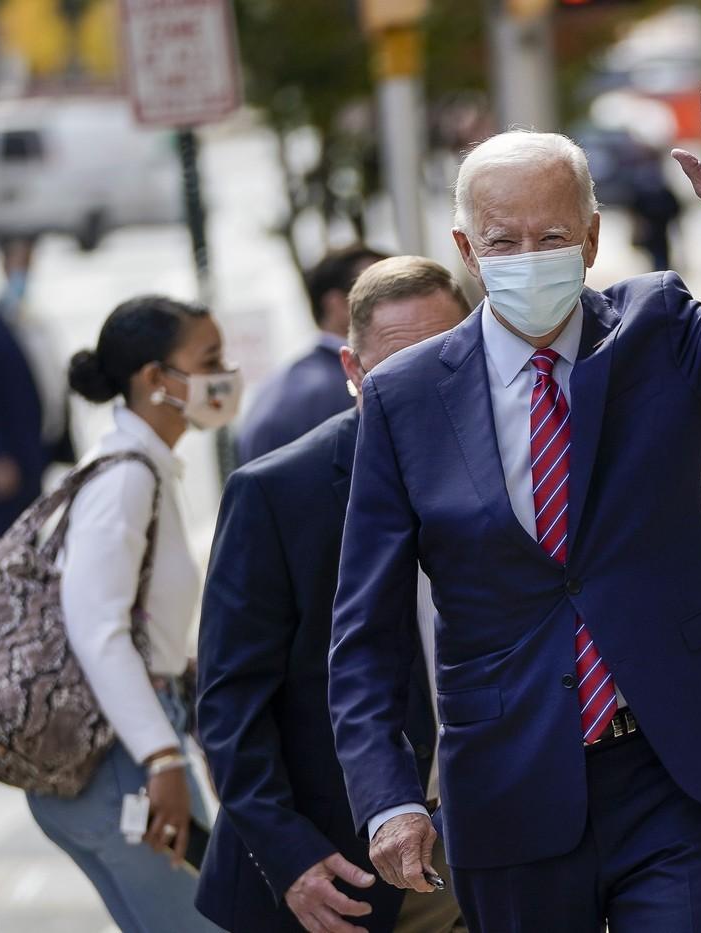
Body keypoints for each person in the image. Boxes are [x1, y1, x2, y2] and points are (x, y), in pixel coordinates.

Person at [328, 73, 701, 933]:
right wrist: (387, 796)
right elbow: (363, 630)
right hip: (509, 786)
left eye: (552, 234)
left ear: (591, 239)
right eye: (504, 240)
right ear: (467, 250)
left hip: (666, 766)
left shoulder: (663, 330)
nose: (528, 254)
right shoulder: (404, 396)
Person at [195, 257, 470, 933]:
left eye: (450, 358)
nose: (429, 386)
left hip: (483, 849)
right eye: (400, 369)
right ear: (353, 371)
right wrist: (289, 856)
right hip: (332, 874)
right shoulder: (278, 493)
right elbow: (230, 706)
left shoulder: (511, 464)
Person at [28, 295, 243, 933]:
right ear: (156, 379)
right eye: (209, 360)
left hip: (137, 745)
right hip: (122, 759)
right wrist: (161, 759)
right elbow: (98, 631)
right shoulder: (123, 479)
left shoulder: (144, 467)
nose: (224, 374)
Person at [0, 235, 76, 542]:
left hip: (32, 452)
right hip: (3, 460)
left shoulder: (34, 323)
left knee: (30, 544)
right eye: (17, 261)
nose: (23, 270)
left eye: (28, 261)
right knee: (4, 549)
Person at [236, 245, 385, 464]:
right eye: (382, 293)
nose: (401, 304)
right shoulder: (349, 386)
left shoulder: (279, 385)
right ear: (336, 305)